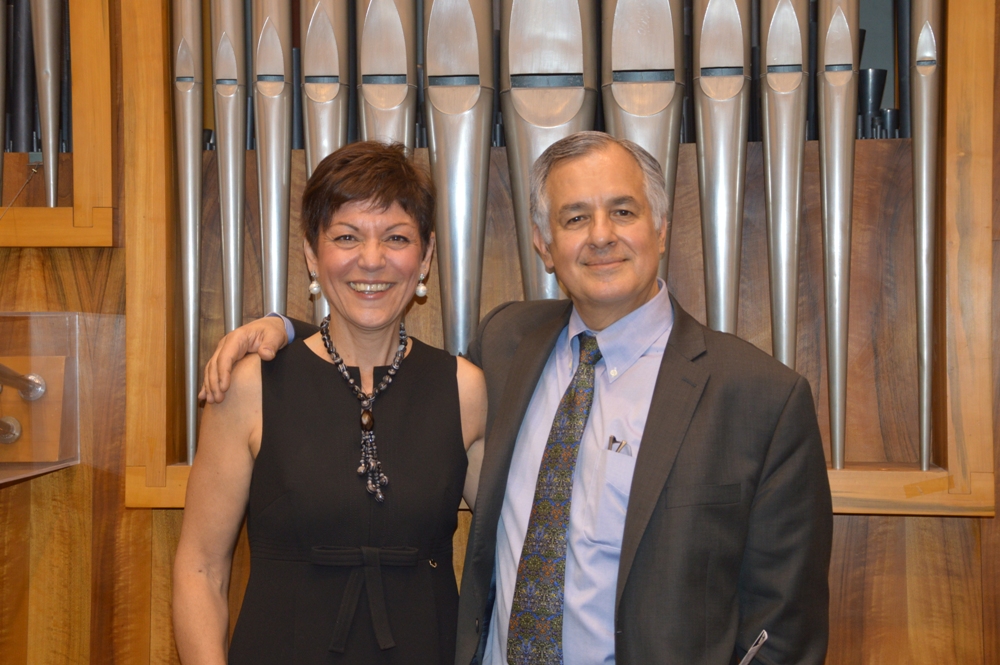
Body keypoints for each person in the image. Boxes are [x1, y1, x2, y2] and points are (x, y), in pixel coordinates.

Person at [201, 132, 833, 665]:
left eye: (623, 211)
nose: (601, 236)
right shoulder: (508, 345)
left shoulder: (761, 399)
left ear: (661, 227)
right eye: (575, 218)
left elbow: (785, 629)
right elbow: (365, 369)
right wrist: (287, 331)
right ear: (543, 243)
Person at [173, 141, 487, 665]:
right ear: (311, 254)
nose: (372, 259)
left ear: (426, 256)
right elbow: (200, 568)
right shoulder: (250, 387)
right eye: (346, 237)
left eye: (396, 238)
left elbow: (517, 541)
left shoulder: (465, 389)